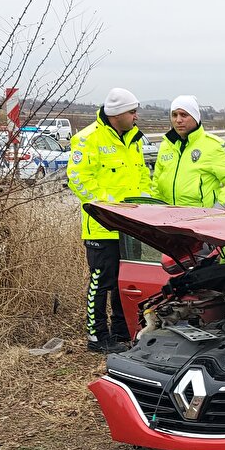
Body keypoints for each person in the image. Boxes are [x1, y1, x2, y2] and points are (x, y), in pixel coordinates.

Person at [67, 88, 150, 353]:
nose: (136, 116)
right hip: (102, 226)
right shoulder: (87, 139)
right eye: (132, 112)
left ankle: (121, 331)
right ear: (117, 114)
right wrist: (108, 207)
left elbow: (142, 177)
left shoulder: (135, 140)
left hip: (131, 226)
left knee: (124, 281)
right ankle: (96, 336)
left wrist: (148, 205)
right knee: (101, 281)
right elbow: (78, 179)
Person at [151, 95, 225, 208]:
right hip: (167, 218)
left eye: (184, 115)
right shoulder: (166, 146)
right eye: (174, 115)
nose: (178, 120)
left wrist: (217, 208)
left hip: (198, 220)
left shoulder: (213, 145)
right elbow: (156, 184)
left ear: (196, 117)